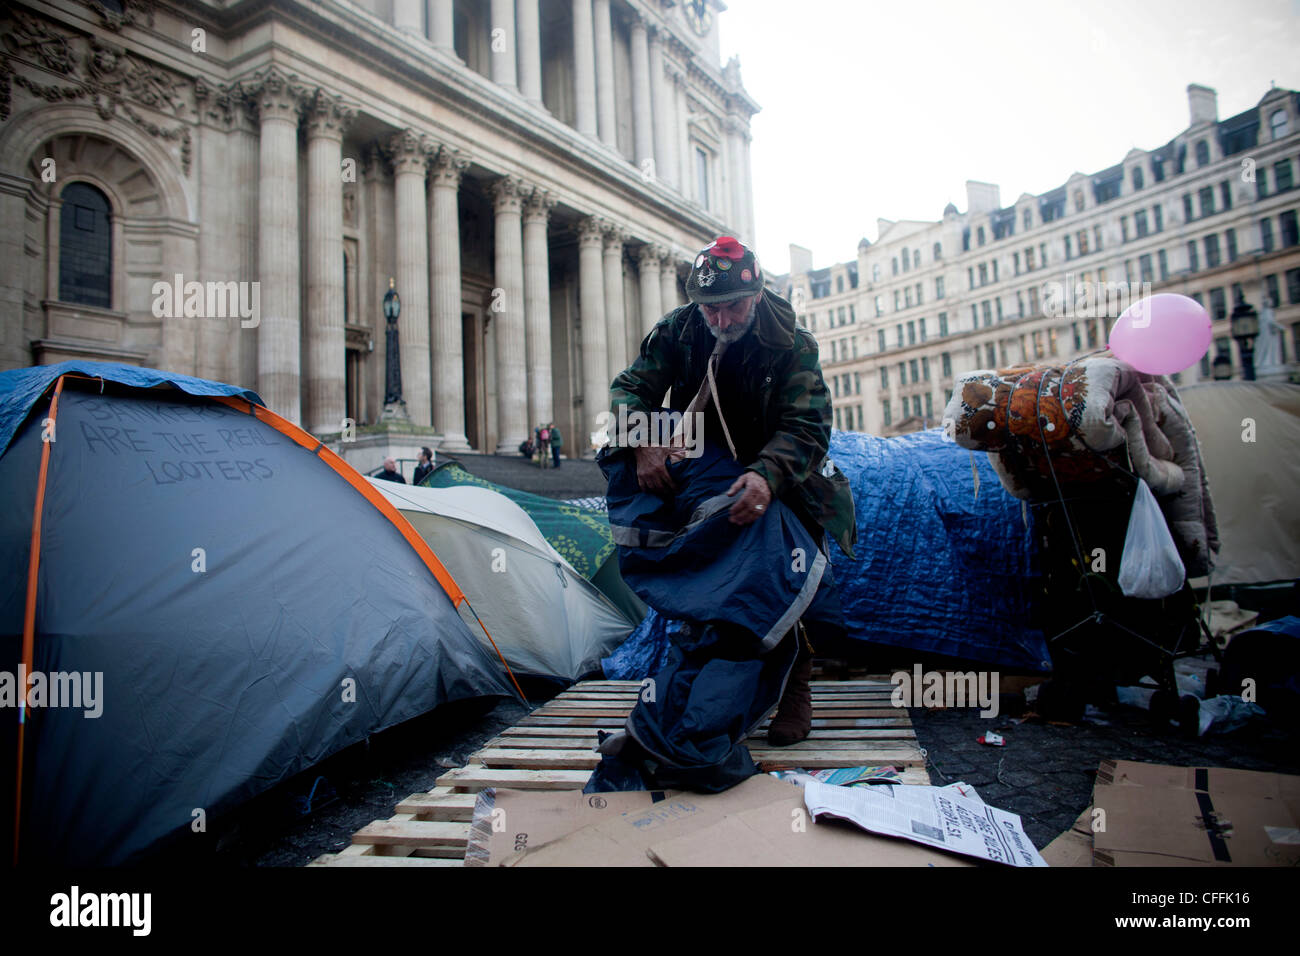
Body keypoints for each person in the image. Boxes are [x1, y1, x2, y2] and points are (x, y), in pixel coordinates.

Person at [608, 236, 855, 747]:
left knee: (788, 566)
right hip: (708, 472)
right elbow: (631, 388)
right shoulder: (679, 329)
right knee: (713, 579)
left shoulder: (792, 343)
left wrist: (766, 474)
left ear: (757, 295)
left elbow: (807, 427)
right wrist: (643, 440)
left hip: (786, 474)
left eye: (732, 307)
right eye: (710, 311)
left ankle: (796, 686)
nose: (720, 321)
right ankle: (701, 693)